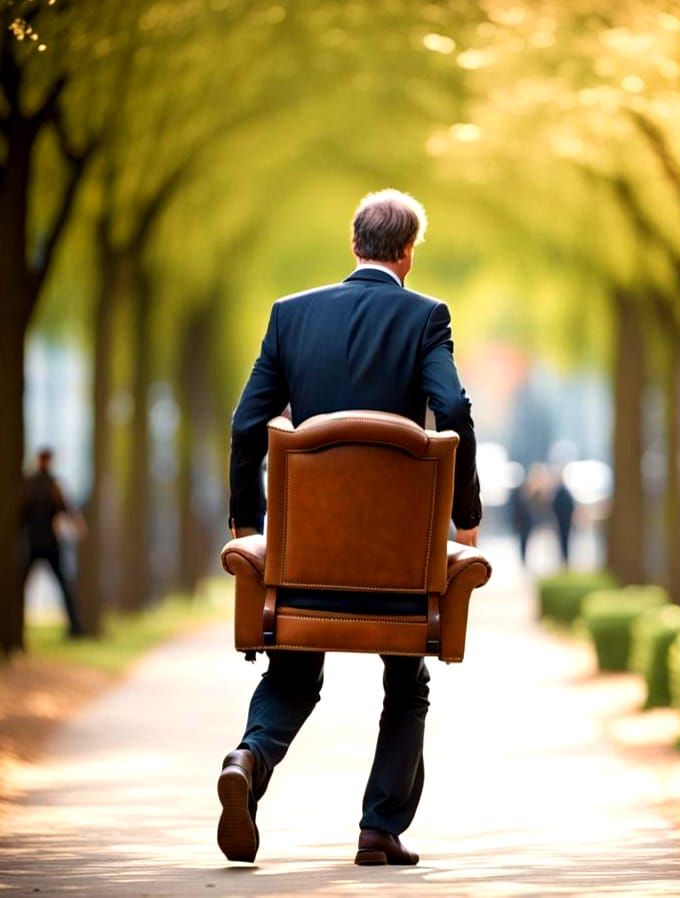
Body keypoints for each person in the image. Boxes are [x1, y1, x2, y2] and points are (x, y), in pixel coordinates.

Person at [219, 189, 482, 866]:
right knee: (407, 681)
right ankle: (378, 828)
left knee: (294, 673)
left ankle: (249, 758)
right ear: (408, 254)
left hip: (308, 557)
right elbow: (451, 404)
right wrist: (466, 516)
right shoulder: (426, 317)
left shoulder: (291, 316)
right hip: (398, 564)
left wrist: (249, 522)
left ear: (354, 245)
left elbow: (248, 422)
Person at [20, 448, 86, 638]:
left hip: (33, 543)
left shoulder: (28, 485)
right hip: (50, 543)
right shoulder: (53, 485)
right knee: (64, 585)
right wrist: (79, 527)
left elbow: (20, 515)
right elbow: (67, 509)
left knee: (22, 586)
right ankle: (75, 627)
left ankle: (16, 626)